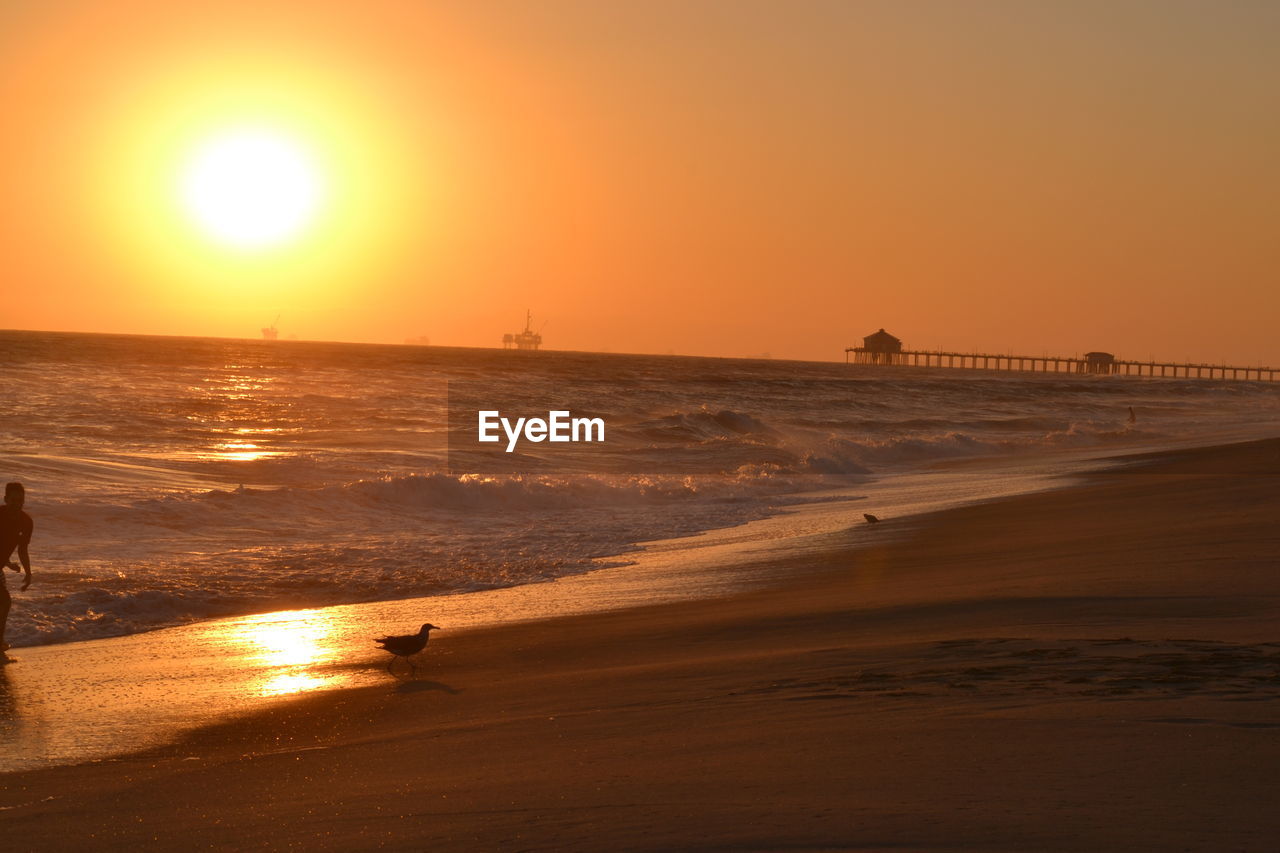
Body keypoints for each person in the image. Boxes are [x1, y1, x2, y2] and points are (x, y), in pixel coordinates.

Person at [0, 482, 33, 654]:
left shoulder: (26, 522)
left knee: (3, 603)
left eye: (20, 500)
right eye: (13, 500)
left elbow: (22, 549)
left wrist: (28, 572)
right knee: (4, 601)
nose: (17, 504)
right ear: (6, 499)